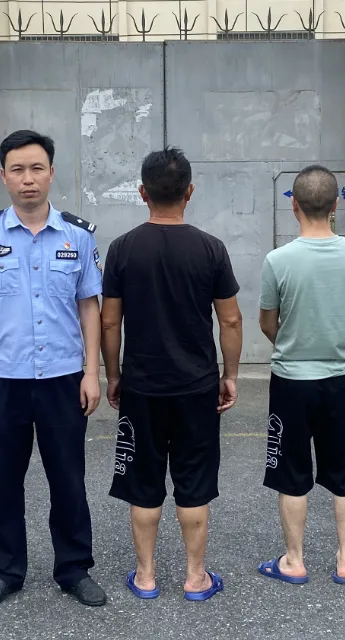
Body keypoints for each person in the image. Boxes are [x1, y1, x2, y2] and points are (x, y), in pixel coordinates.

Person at [0, 130, 105, 608]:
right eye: (17, 170)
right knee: (5, 483)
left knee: (69, 480)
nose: (28, 179)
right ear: (3, 176)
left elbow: (89, 307)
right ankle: (6, 571)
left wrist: (92, 372)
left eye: (37, 168)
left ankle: (74, 569)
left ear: (51, 173)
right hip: (3, 381)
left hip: (63, 378)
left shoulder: (77, 236)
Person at [101, 147, 243, 602]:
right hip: (196, 387)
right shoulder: (210, 248)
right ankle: (195, 577)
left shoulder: (122, 248)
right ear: (190, 192)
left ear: (142, 193)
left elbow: (109, 322)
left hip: (142, 387)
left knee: (143, 482)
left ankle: (145, 576)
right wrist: (230, 374)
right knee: (193, 482)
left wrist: (113, 375)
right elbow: (231, 320)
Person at [255, 165, 345, 587]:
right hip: (341, 379)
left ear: (294, 205)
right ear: (336, 205)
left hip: (291, 380)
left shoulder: (278, 261)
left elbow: (267, 322)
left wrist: (293, 341)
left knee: (291, 472)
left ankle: (294, 560)